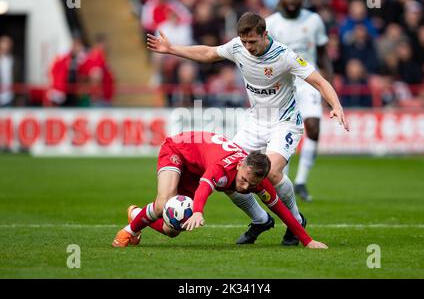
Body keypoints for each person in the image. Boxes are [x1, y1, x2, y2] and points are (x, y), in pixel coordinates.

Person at [146, 12, 348, 246]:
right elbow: (209, 53)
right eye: (244, 42)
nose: (248, 47)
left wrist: (336, 105)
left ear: (265, 34)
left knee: (271, 173)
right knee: (230, 174)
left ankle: (295, 220)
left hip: (284, 123)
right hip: (255, 122)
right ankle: (260, 219)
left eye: (253, 41)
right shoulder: (237, 47)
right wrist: (172, 49)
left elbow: (320, 81)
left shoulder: (285, 56)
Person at [112, 131, 327, 249]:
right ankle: (127, 232)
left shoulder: (258, 180)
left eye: (251, 185)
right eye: (243, 180)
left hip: (197, 166)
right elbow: (205, 187)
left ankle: (136, 213)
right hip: (178, 148)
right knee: (163, 204)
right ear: (241, 165)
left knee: (172, 229)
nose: (245, 187)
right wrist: (198, 211)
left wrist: (308, 241)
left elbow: (281, 209)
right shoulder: (221, 167)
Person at [265, 0, 334, 202]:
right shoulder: (271, 23)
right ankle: (283, 178)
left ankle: (302, 180)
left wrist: (327, 84)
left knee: (312, 127)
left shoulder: (313, 21)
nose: (293, 1)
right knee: (281, 130)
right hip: (282, 82)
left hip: (308, 79)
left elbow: (323, 54)